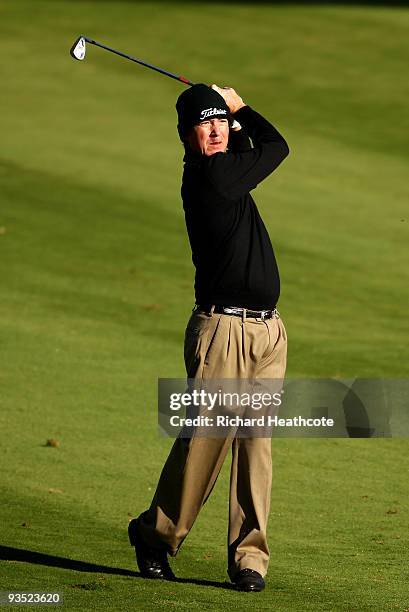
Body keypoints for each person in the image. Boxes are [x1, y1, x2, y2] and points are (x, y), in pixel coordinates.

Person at [128, 84, 289, 592]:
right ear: (186, 134)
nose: (217, 128)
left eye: (221, 119)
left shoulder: (225, 170)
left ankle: (249, 558)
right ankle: (155, 536)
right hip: (222, 331)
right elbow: (276, 146)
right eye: (207, 121)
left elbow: (249, 149)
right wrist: (242, 109)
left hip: (268, 332)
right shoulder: (209, 179)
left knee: (255, 448)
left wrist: (230, 116)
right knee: (205, 445)